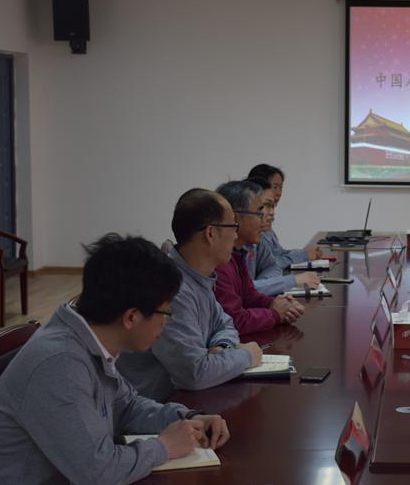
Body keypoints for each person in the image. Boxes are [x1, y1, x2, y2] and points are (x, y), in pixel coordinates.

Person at [0, 234, 231, 485]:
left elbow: (127, 406)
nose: (167, 323)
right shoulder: (60, 363)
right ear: (131, 317)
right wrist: (164, 447)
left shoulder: (89, 340)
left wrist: (187, 418)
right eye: (166, 313)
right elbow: (96, 473)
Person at [117, 189, 263, 402]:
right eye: (233, 226)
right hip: (155, 407)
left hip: (184, 400)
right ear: (211, 233)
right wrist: (246, 356)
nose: (235, 235)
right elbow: (194, 374)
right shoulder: (171, 288)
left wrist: (223, 348)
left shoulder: (198, 275)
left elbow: (225, 324)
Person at [214, 179, 304, 337]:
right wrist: (275, 314)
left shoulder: (237, 253)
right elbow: (234, 320)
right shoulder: (218, 261)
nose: (264, 218)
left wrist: (274, 303)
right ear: (235, 218)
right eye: (258, 212)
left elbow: (249, 296)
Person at [246, 163, 322, 295]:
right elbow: (244, 291)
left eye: (281, 188)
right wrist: (288, 281)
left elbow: (272, 265)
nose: (271, 213)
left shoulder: (259, 234)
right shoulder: (234, 245)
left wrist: (267, 283)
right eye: (265, 206)